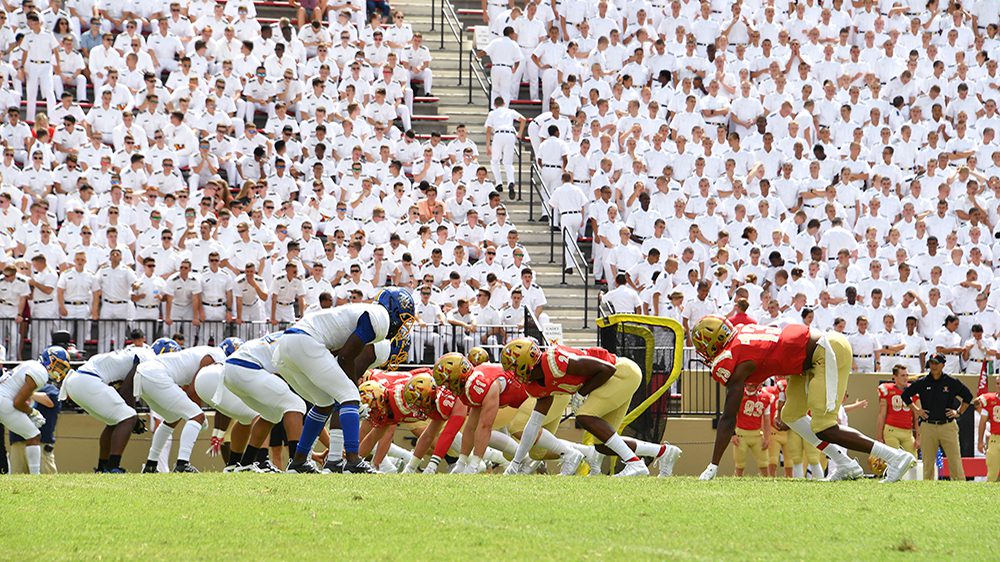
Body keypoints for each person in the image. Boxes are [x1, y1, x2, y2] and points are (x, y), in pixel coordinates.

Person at [691, 316, 915, 483]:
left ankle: (895, 457)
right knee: (791, 415)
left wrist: (713, 465)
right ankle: (845, 464)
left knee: (824, 427)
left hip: (825, 351)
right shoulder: (741, 332)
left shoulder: (735, 358)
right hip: (803, 363)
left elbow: (729, 417)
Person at [273, 287, 415, 473]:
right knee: (349, 396)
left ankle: (299, 461)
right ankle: (353, 460)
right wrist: (353, 392)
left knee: (324, 402)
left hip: (286, 347)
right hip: (305, 341)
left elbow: (338, 352)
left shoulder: (363, 312)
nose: (402, 325)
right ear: (395, 310)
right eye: (403, 318)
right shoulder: (380, 318)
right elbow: (346, 358)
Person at [500, 338, 682, 476]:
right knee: (603, 445)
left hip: (621, 372)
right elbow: (533, 425)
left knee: (585, 416)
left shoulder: (554, 360)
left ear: (526, 361)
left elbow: (607, 369)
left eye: (514, 366)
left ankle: (634, 463)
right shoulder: (536, 383)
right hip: (613, 380)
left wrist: (581, 393)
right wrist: (515, 463)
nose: (513, 373)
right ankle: (664, 452)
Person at [60, 346, 157, 472]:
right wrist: (134, 418)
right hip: (88, 380)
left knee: (115, 421)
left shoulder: (136, 353)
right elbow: (127, 388)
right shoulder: (149, 359)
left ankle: (102, 467)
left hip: (77, 382)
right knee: (128, 417)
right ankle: (113, 467)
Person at [137, 339, 226, 473]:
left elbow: (187, 390)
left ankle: (151, 464)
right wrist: (199, 417)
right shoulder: (217, 356)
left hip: (141, 376)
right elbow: (194, 390)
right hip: (156, 374)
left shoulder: (200, 353)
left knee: (171, 419)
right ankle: (182, 464)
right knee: (197, 416)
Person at [901, 354, 974, 481]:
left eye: (936, 363)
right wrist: (917, 410)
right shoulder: (922, 382)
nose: (933, 366)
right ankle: (929, 491)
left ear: (943, 364)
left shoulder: (951, 382)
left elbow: (968, 396)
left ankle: (959, 489)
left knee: (955, 460)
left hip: (948, 426)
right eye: (931, 363)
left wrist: (958, 412)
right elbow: (905, 395)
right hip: (928, 426)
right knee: (928, 462)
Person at [0, 346, 70, 475]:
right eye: (58, 366)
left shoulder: (31, 364)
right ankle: (35, 476)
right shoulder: (40, 372)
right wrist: (32, 412)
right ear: (49, 360)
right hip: (4, 401)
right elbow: (18, 402)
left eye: (61, 368)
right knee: (33, 435)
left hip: (3, 399)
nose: (58, 371)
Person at [875, 365, 918, 457]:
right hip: (891, 430)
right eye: (902, 375)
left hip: (908, 432)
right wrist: (879, 436)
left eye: (907, 375)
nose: (906, 378)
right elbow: (882, 414)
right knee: (894, 460)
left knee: (912, 460)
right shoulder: (887, 389)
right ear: (894, 377)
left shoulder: (913, 390)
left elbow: (917, 416)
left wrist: (919, 437)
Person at [732, 383, 772, 476]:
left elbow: (767, 420)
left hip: (757, 435)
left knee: (764, 465)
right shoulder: (738, 395)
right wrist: (733, 434)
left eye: (752, 386)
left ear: (758, 386)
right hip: (741, 434)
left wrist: (767, 438)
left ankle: (767, 487)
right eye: (748, 385)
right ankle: (737, 487)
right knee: (739, 465)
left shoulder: (765, 397)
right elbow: (731, 416)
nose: (749, 388)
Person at [973, 376, 1000, 482]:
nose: (999, 386)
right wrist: (980, 441)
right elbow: (982, 422)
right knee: (992, 472)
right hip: (995, 439)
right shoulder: (989, 399)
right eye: (998, 383)